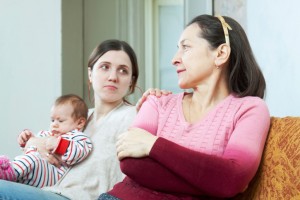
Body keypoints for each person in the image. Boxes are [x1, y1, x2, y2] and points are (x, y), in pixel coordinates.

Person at [99, 14, 271, 199]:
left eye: (186, 47)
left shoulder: (250, 109)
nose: (174, 59)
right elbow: (131, 164)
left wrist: (153, 145)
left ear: (221, 54)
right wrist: (214, 182)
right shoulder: (157, 102)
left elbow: (232, 178)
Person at [0, 39, 141, 200]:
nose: (112, 77)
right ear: (90, 73)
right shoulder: (79, 117)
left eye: (123, 70)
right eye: (105, 67)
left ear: (131, 81)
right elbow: (41, 144)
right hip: (46, 189)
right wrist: (33, 142)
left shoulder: (135, 115)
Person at [0, 94, 92, 188]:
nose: (54, 125)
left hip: (52, 174)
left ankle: (6, 171)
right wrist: (26, 139)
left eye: (60, 121)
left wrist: (58, 144)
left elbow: (77, 152)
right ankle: (8, 172)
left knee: (33, 160)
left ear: (80, 123)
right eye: (52, 120)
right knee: (28, 159)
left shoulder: (78, 137)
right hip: (32, 173)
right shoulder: (48, 133)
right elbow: (31, 146)